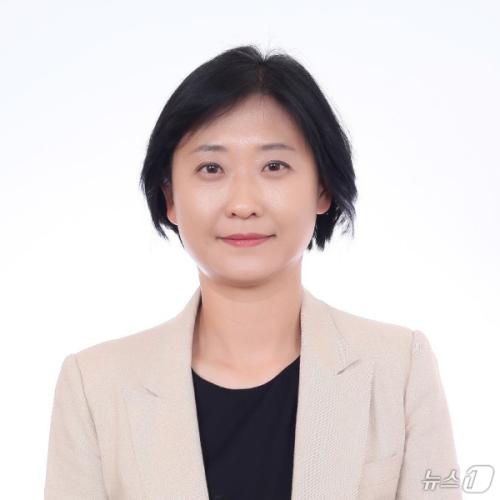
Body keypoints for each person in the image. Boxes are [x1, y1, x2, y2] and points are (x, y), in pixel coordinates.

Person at [44, 45, 462, 499]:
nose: (243, 204)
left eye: (274, 166)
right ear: (170, 197)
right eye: (211, 168)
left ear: (322, 188)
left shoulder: (400, 367)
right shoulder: (94, 386)